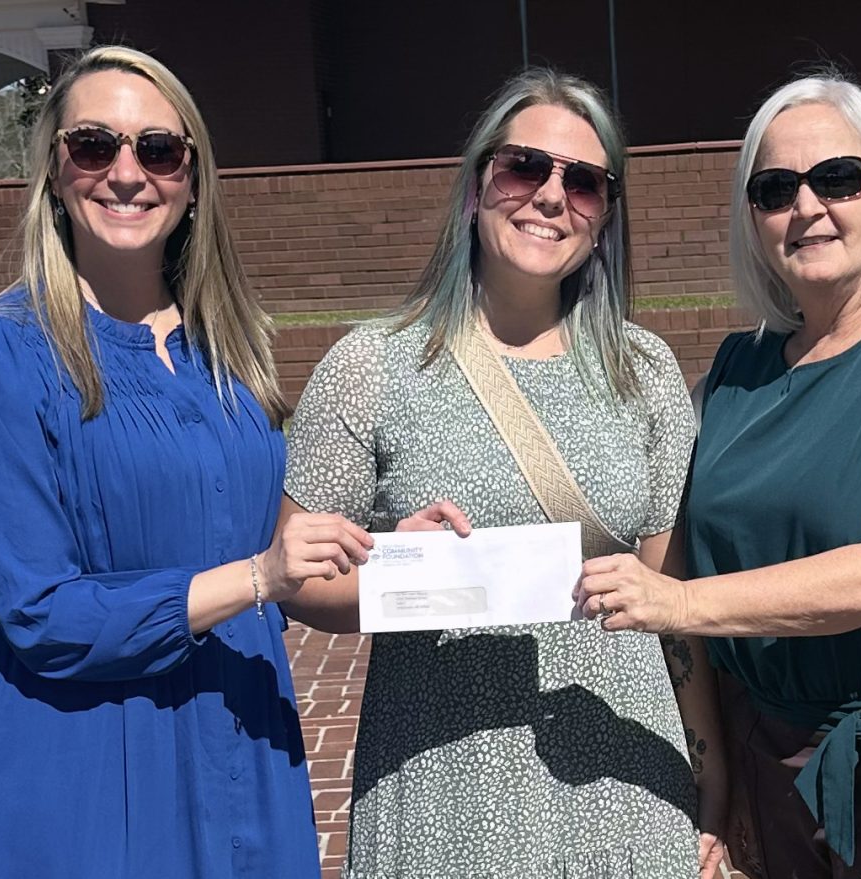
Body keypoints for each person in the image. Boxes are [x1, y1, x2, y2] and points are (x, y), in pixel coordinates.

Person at [576, 73, 861, 879]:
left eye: (837, 177)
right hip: (773, 754)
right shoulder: (739, 370)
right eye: (775, 189)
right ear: (752, 218)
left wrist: (680, 603)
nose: (807, 206)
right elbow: (650, 521)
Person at [0, 46, 372, 878]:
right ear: (54, 169)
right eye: (94, 145)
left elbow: (266, 546)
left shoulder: (229, 353)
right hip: (91, 772)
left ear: (194, 179)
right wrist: (257, 577)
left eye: (159, 149)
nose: (128, 173)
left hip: (242, 747)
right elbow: (41, 613)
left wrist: (395, 551)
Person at [282, 69, 702, 877]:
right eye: (523, 167)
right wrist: (394, 567)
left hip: (620, 779)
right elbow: (298, 581)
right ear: (476, 187)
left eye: (584, 182)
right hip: (443, 784)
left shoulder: (644, 372)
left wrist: (709, 779)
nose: (550, 196)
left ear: (605, 216)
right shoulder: (371, 366)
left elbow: (672, 608)